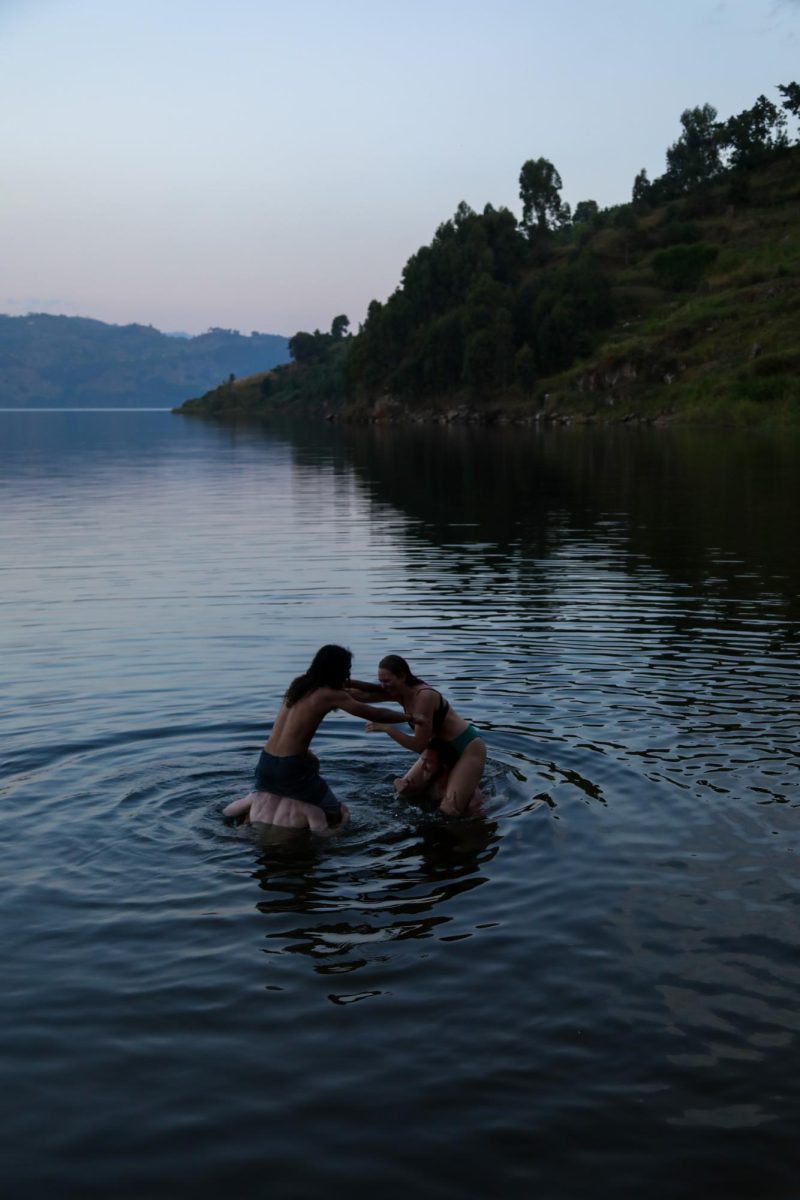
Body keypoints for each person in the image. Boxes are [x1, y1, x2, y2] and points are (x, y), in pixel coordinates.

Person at [223, 645, 411, 830]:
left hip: (265, 762)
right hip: (292, 767)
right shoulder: (330, 694)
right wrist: (410, 717)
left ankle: (249, 821)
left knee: (273, 795)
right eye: (347, 670)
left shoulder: (299, 685)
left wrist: (389, 693)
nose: (348, 675)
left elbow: (357, 690)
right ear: (338, 670)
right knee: (335, 814)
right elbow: (375, 714)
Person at [349, 654, 486, 817]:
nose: (382, 686)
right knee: (405, 791)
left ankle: (476, 797)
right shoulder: (398, 691)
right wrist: (333, 687)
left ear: (402, 676)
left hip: (466, 748)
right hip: (440, 748)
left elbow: (418, 745)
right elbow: (364, 696)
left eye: (386, 681)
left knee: (450, 810)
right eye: (380, 681)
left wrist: (388, 729)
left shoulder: (424, 696)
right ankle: (459, 787)